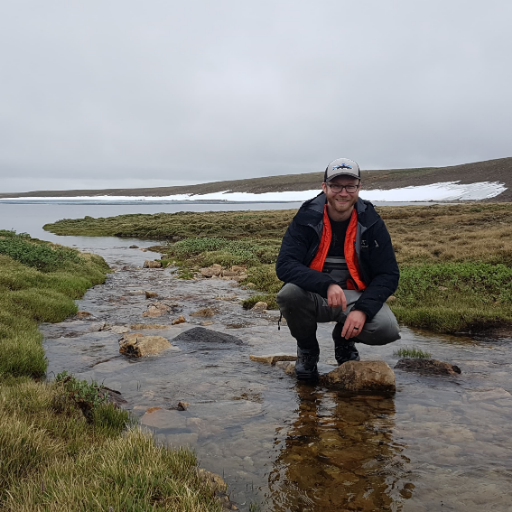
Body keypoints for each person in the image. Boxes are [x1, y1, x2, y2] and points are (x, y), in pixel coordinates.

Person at [276, 157, 400, 380]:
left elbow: (388, 274)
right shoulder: (306, 218)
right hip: (315, 296)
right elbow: (285, 266)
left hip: (355, 297)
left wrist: (362, 310)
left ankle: (344, 339)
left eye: (350, 186)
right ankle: (307, 350)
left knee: (386, 328)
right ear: (324, 187)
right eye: (336, 186)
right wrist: (327, 284)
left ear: (359, 188)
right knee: (289, 294)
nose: (343, 193)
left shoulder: (371, 222)